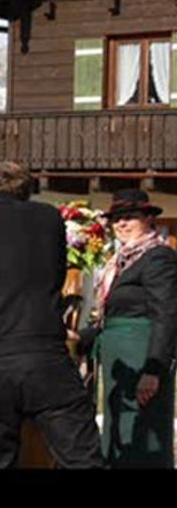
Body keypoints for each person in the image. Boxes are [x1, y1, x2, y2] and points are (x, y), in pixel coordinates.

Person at [0, 161, 103, 469]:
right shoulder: (48, 218)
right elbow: (55, 276)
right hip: (43, 356)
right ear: (28, 192)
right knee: (83, 460)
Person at [78, 188, 177, 468]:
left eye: (130, 217)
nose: (121, 224)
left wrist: (153, 370)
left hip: (142, 356)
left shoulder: (158, 257)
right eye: (117, 218)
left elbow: (167, 315)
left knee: (144, 434)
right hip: (118, 359)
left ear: (148, 219)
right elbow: (111, 314)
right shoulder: (120, 261)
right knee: (120, 429)